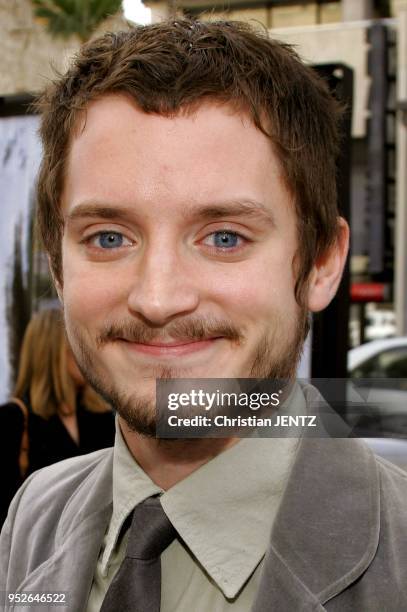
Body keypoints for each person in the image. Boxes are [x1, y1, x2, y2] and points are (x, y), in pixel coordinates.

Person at [1, 18, 407, 611]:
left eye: (223, 237)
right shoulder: (33, 518)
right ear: (57, 268)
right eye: (110, 238)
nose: (159, 298)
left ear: (321, 263)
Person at [0, 308, 115, 526]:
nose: (89, 353)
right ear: (50, 350)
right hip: (35, 553)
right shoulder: (12, 420)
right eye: (78, 343)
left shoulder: (101, 416)